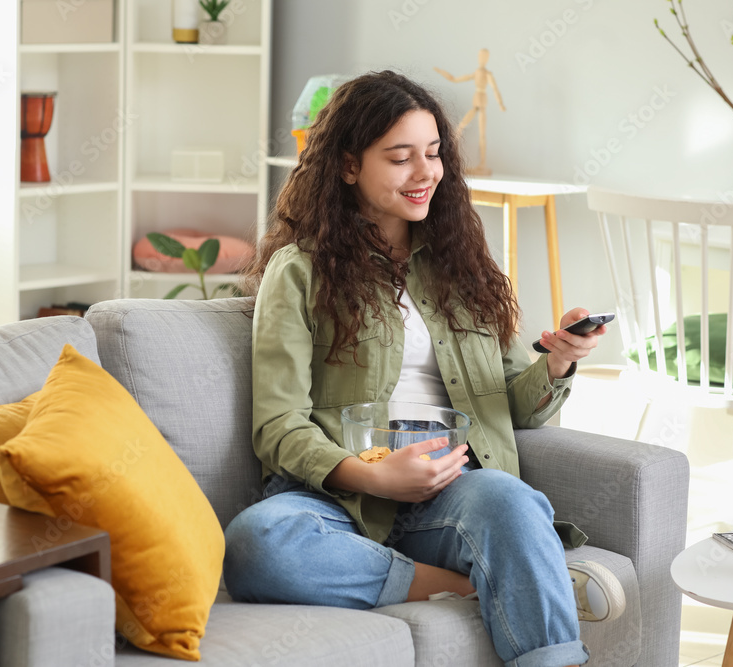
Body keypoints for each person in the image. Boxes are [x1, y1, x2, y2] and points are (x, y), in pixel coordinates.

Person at [224, 70, 623, 667]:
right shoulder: (298, 270)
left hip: (452, 492)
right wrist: (372, 476)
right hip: (337, 499)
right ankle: (470, 583)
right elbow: (278, 426)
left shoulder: (461, 262)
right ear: (349, 165)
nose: (425, 172)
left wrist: (559, 362)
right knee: (257, 544)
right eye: (401, 157)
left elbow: (511, 407)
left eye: (433, 154)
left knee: (509, 501)